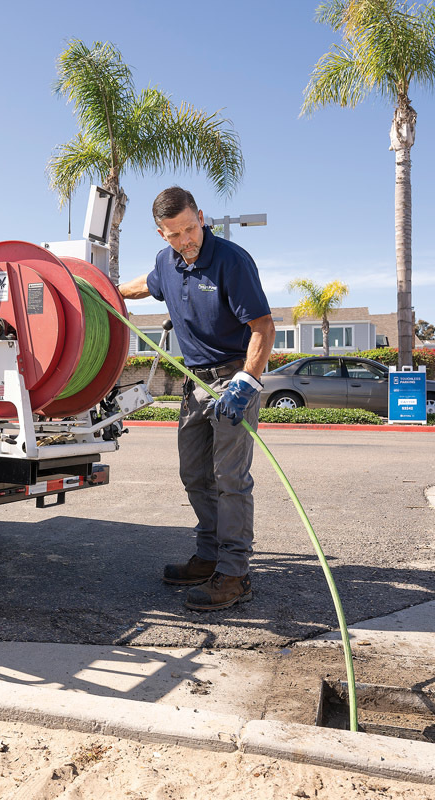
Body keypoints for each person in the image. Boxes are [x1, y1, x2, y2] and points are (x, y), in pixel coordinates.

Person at [118, 186, 274, 611]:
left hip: (232, 383)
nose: (186, 240)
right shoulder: (165, 263)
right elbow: (145, 285)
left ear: (201, 217)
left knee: (230, 479)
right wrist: (107, 291)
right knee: (195, 475)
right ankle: (208, 557)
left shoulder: (231, 261)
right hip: (194, 386)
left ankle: (235, 573)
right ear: (161, 233)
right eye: (175, 234)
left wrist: (247, 382)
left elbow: (263, 326)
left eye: (191, 228)